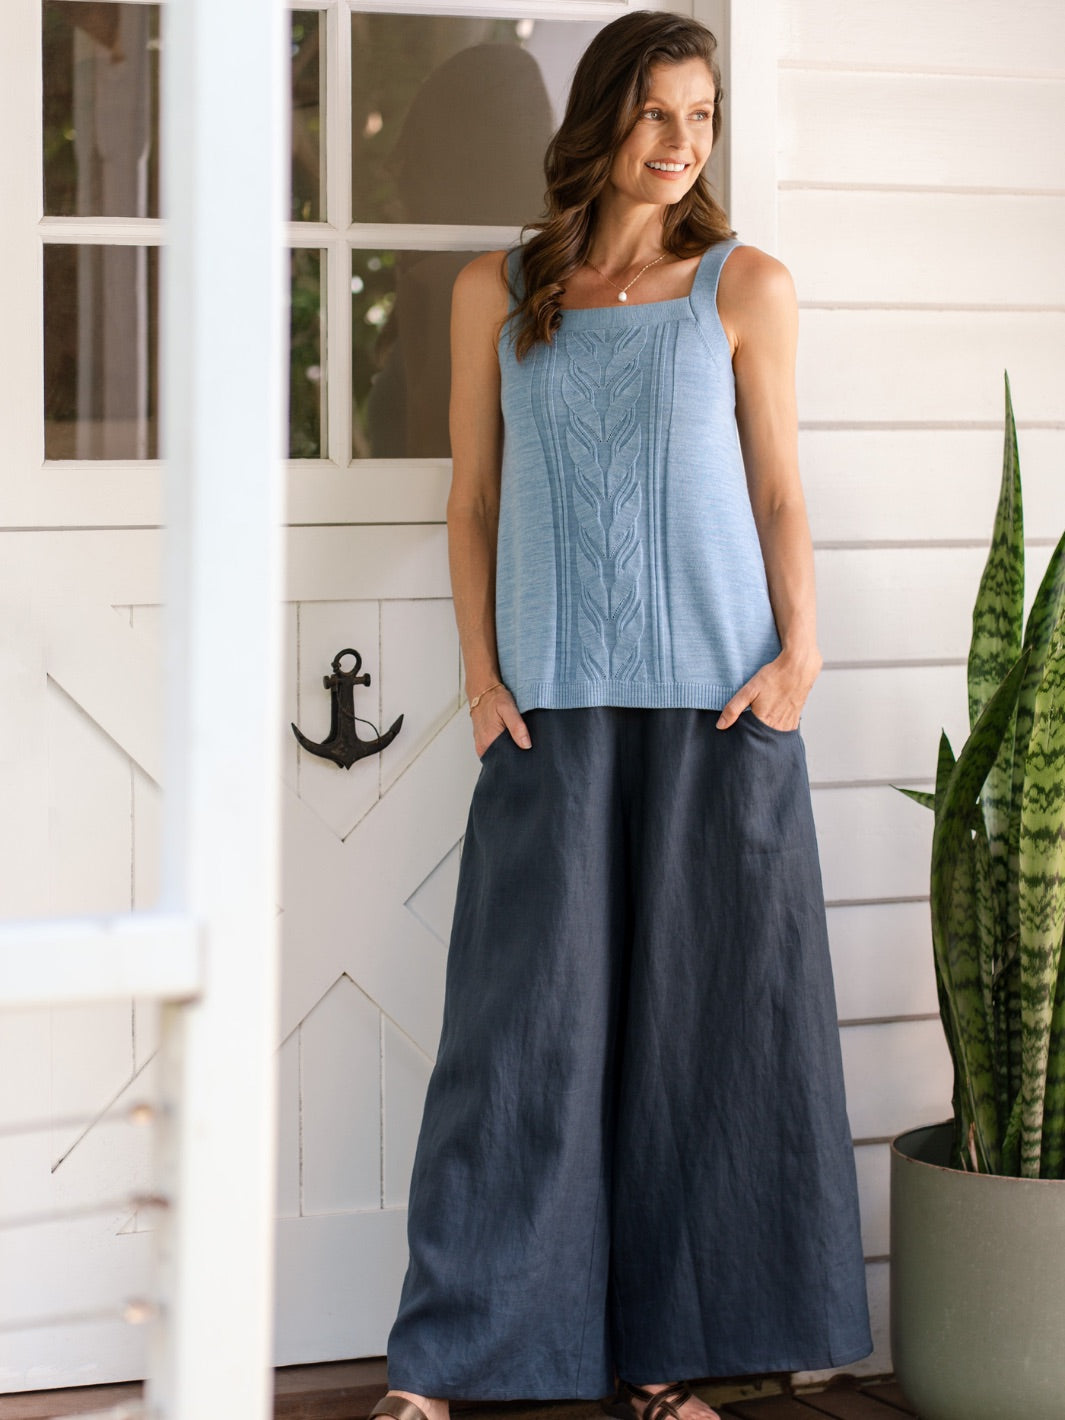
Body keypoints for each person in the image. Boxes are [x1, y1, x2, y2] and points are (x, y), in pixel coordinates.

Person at [372, 13, 873, 1420]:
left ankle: (667, 1362)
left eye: (701, 118)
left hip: (721, 709)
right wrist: (480, 675)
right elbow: (468, 502)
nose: (680, 145)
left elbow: (779, 491)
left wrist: (800, 660)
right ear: (601, 120)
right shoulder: (501, 289)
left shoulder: (743, 285)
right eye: (656, 114)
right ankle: (453, 1356)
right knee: (516, 1039)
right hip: (548, 715)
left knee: (706, 1043)